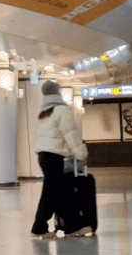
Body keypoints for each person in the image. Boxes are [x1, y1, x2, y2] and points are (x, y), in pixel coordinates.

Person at [31, 80, 89, 238]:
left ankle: (49, 226)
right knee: (56, 193)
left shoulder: (44, 112)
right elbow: (70, 134)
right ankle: (63, 227)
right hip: (54, 156)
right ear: (58, 92)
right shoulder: (62, 110)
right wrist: (82, 154)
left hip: (44, 156)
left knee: (55, 192)